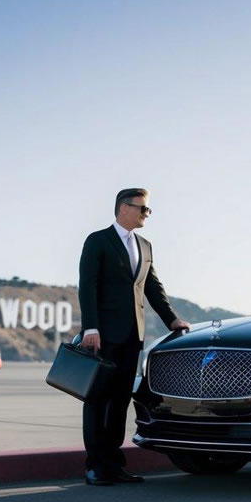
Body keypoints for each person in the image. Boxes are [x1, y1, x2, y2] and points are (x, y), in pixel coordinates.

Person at [78, 187, 190, 485]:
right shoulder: (97, 241)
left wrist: (171, 319)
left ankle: (114, 464)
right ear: (123, 208)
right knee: (96, 401)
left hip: (132, 337)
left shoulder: (145, 245)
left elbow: (153, 287)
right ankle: (95, 466)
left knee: (119, 401)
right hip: (101, 336)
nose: (146, 214)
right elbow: (87, 286)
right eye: (142, 209)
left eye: (148, 209)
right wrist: (91, 328)